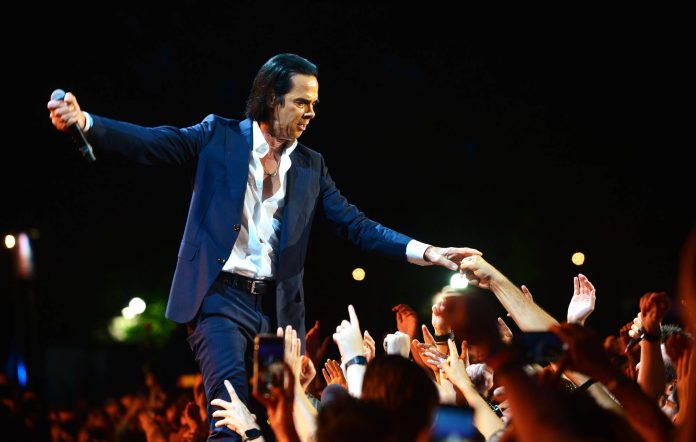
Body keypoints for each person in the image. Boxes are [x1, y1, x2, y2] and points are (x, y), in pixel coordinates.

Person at [47, 53, 481, 440]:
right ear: (273, 99)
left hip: (275, 315)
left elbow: (356, 225)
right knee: (230, 415)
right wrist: (87, 123)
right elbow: (154, 142)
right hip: (218, 300)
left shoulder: (311, 165)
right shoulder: (217, 136)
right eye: (302, 102)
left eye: (314, 103)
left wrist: (429, 252)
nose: (311, 112)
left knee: (278, 414)